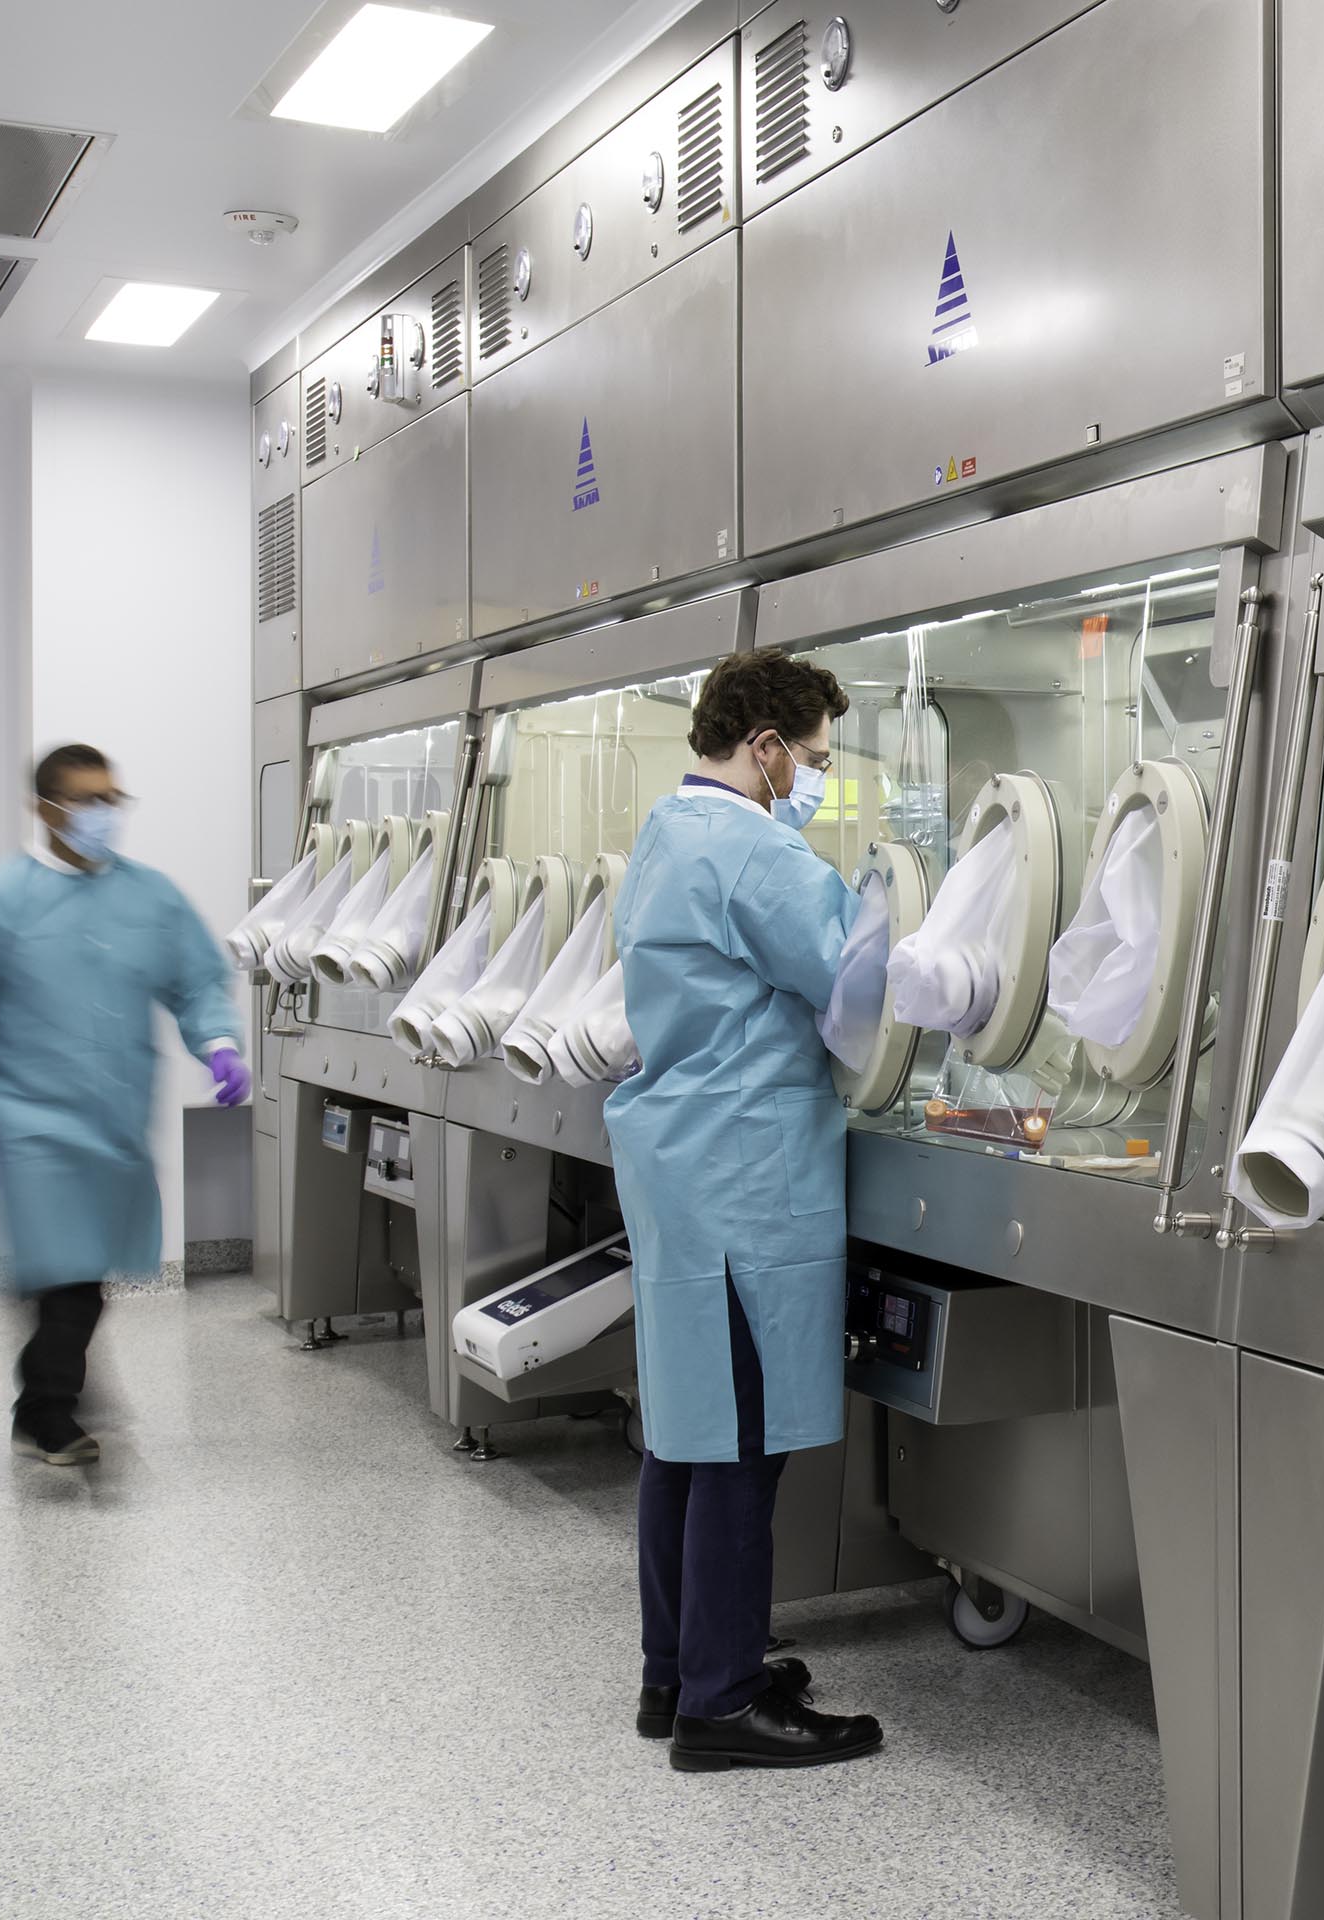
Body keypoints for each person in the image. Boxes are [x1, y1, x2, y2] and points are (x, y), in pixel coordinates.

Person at [607, 649, 886, 1772]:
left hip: (683, 1160)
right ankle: (723, 1707)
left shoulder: (667, 834)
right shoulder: (755, 849)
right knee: (741, 1444)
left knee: (685, 1432)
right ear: (764, 745)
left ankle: (675, 1672)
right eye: (811, 757)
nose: (814, 779)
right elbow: (855, 983)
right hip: (744, 1172)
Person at [0, 744, 250, 1465]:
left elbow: (195, 982)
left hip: (115, 1120)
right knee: (68, 1276)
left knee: (85, 1273)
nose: (102, 815)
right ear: (45, 808)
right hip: (28, 1118)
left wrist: (219, 1042)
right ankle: (45, 1410)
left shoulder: (151, 897)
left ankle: (58, 1383)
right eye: (85, 800)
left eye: (111, 799)